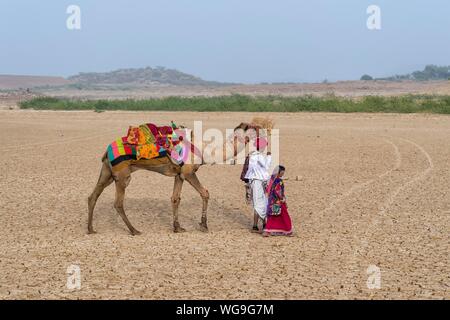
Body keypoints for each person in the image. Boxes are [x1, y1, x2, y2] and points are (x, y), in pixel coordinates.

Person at [244, 137, 271, 233]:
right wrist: (269, 157)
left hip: (255, 181)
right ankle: (264, 224)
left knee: (257, 203)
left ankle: (255, 225)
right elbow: (267, 166)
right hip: (258, 181)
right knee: (262, 203)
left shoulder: (252, 155)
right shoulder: (259, 156)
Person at [263, 165, 293, 236]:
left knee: (272, 216)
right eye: (282, 172)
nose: (283, 174)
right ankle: (287, 230)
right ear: (279, 172)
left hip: (271, 201)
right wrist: (283, 199)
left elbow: (267, 189)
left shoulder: (271, 180)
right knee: (284, 215)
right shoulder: (279, 181)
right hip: (279, 201)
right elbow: (279, 191)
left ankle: (268, 230)